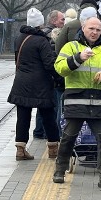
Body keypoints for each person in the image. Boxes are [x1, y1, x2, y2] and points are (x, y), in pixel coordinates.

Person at [53, 17, 101, 189]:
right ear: (83, 28)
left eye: (98, 30)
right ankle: (59, 171)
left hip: (98, 103)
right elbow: (59, 68)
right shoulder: (71, 47)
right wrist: (78, 58)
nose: (94, 32)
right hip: (76, 100)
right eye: (91, 28)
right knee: (69, 138)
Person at [7, 8, 61, 161]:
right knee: (48, 116)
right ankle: (53, 149)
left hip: (21, 82)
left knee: (23, 117)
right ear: (40, 24)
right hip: (41, 85)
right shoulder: (42, 40)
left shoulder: (19, 38)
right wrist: (59, 78)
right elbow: (49, 64)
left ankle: (20, 149)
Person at [34, 10, 65, 139]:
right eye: (62, 19)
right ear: (53, 21)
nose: (64, 22)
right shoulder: (53, 34)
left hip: (42, 75)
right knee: (52, 105)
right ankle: (49, 133)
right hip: (51, 75)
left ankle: (39, 131)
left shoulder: (41, 34)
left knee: (42, 104)